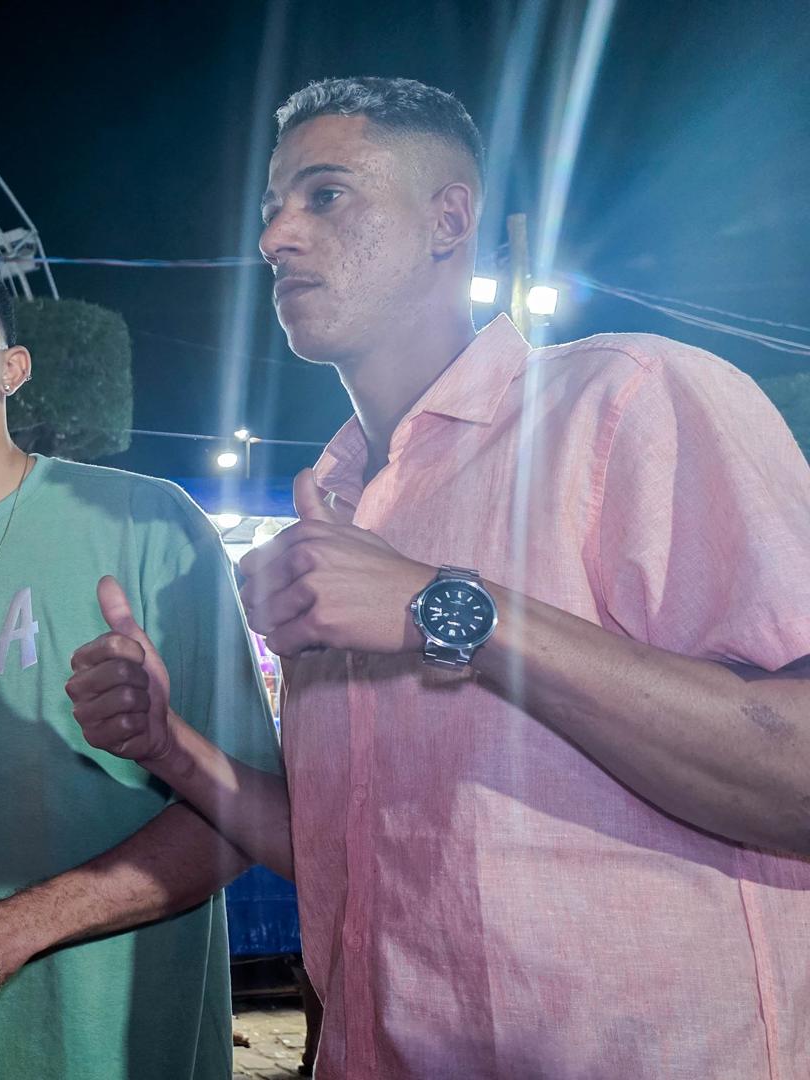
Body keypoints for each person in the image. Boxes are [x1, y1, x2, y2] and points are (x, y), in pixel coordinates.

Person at [79, 77, 810, 1078]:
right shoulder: (338, 503)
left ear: (449, 220)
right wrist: (168, 745)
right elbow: (351, 859)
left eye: (326, 195)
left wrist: (443, 606)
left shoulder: (624, 401)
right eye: (272, 208)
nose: (276, 238)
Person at [0, 247, 281, 1079]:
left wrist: (4, 934)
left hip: (112, 1053)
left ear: (13, 367)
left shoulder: (146, 525)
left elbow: (247, 818)